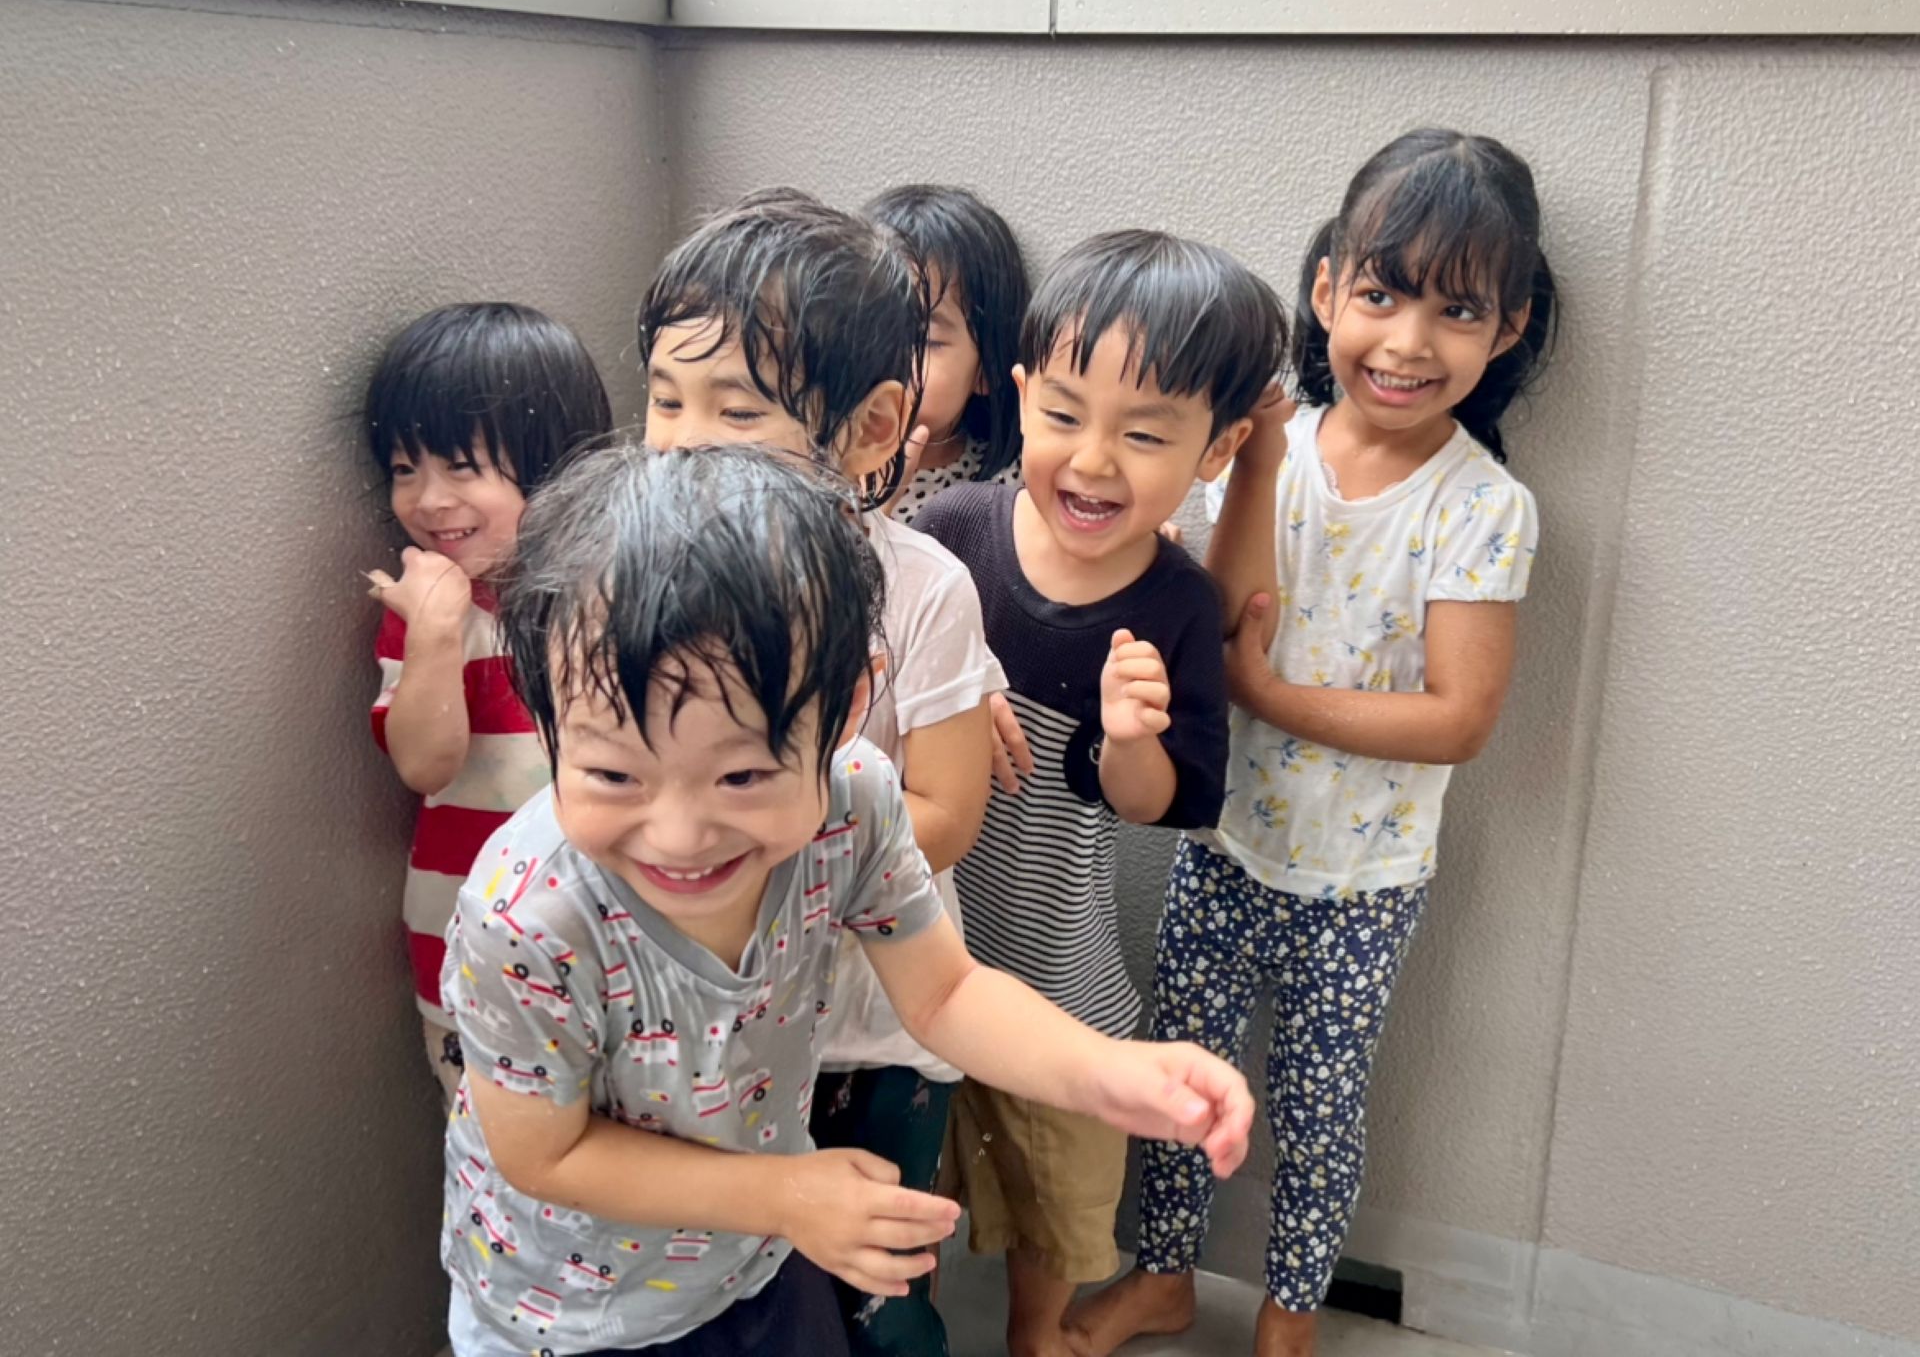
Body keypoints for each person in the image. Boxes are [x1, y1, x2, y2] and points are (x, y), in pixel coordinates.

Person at [437, 442, 1256, 1357]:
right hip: (568, 1312)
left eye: (743, 775)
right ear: (545, 710)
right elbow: (544, 1152)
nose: (678, 834)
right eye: (612, 775)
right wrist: (789, 1194)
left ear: (848, 705)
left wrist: (1104, 1071)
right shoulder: (528, 918)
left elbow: (945, 993)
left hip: (755, 1253)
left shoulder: (856, 802)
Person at [1078, 128, 1558, 1357]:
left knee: (1318, 1107)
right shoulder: (1271, 457)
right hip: (1222, 840)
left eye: (1458, 310)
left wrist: (1267, 692)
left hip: (1361, 881)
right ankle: (1163, 1275)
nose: (1408, 341)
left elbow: (1458, 718)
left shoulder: (1482, 507)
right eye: (1383, 294)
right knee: (1179, 1070)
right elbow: (1227, 613)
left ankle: (1290, 1316)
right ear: (1329, 287)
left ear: (1508, 330)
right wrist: (1258, 463)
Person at [639, 188, 1004, 1356]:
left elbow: (947, 812)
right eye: (665, 399)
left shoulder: (923, 588)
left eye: (735, 408)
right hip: (722, 1030)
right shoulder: (643, 585)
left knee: (875, 1298)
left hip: (872, 1026)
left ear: (872, 426)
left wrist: (775, 849)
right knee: (750, 1292)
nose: (684, 438)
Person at [915, 229, 1286, 1357]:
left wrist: (1132, 736)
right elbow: (869, 688)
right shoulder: (951, 535)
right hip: (918, 946)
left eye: (1145, 434)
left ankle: (1036, 1334)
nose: (1092, 461)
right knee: (903, 1174)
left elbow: (1156, 807)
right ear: (1021, 394)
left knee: (1059, 1192)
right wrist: (957, 686)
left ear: (1217, 449)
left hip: (1058, 962)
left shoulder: (1176, 605)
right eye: (1065, 414)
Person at [362, 301, 612, 1101]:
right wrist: (437, 629)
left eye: (462, 466)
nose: (428, 499)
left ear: (558, 465)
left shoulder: (615, 595)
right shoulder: (426, 615)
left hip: (608, 944)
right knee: (491, 1151)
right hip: (468, 948)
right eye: (405, 469)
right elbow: (424, 765)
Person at [862, 184, 1029, 524]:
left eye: (925, 339)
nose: (883, 355)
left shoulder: (1008, 493)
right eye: (865, 326)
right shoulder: (811, 465)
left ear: (987, 369)